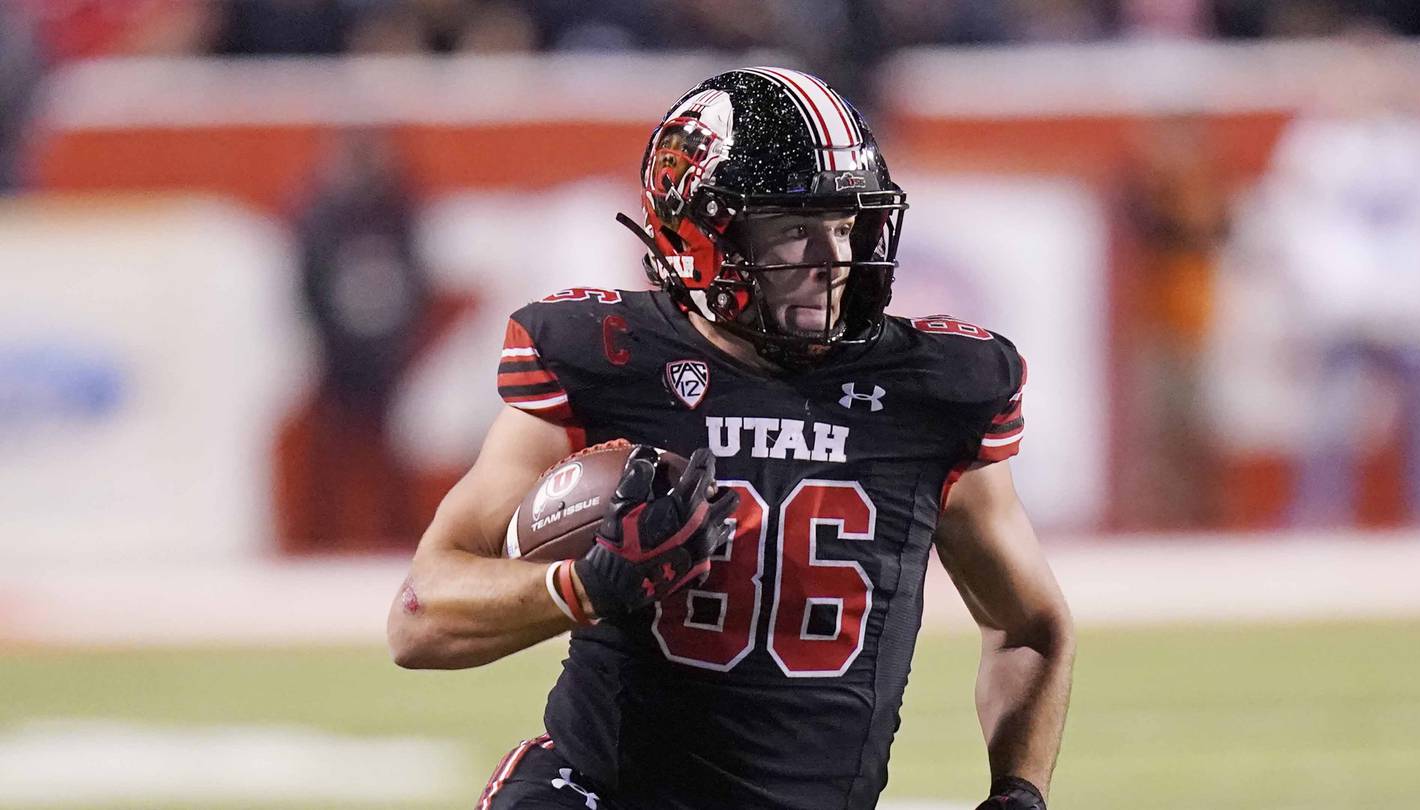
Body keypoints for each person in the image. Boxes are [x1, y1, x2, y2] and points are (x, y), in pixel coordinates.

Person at [387, 67, 1074, 810]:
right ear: (698, 232)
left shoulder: (934, 389)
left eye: (846, 225)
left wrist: (1019, 793)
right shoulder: (608, 358)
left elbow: (1028, 625)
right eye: (793, 229)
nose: (834, 259)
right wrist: (582, 587)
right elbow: (419, 620)